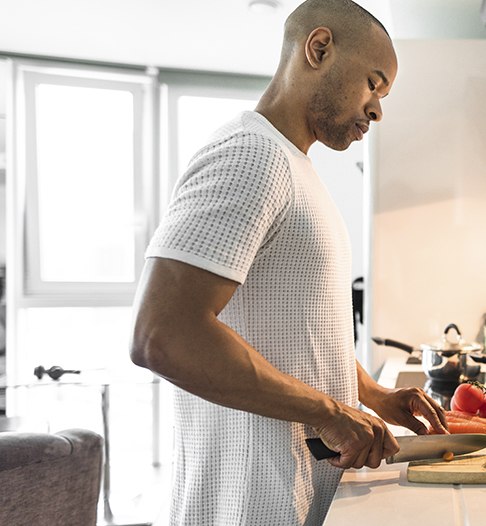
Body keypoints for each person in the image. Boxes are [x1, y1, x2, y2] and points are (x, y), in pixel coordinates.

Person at [129, 1, 448, 524]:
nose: (377, 110)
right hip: (250, 502)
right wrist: (329, 412)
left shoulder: (292, 166)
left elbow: (295, 329)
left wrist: (371, 393)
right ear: (319, 48)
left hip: (295, 490)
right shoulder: (250, 155)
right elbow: (161, 333)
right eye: (373, 83)